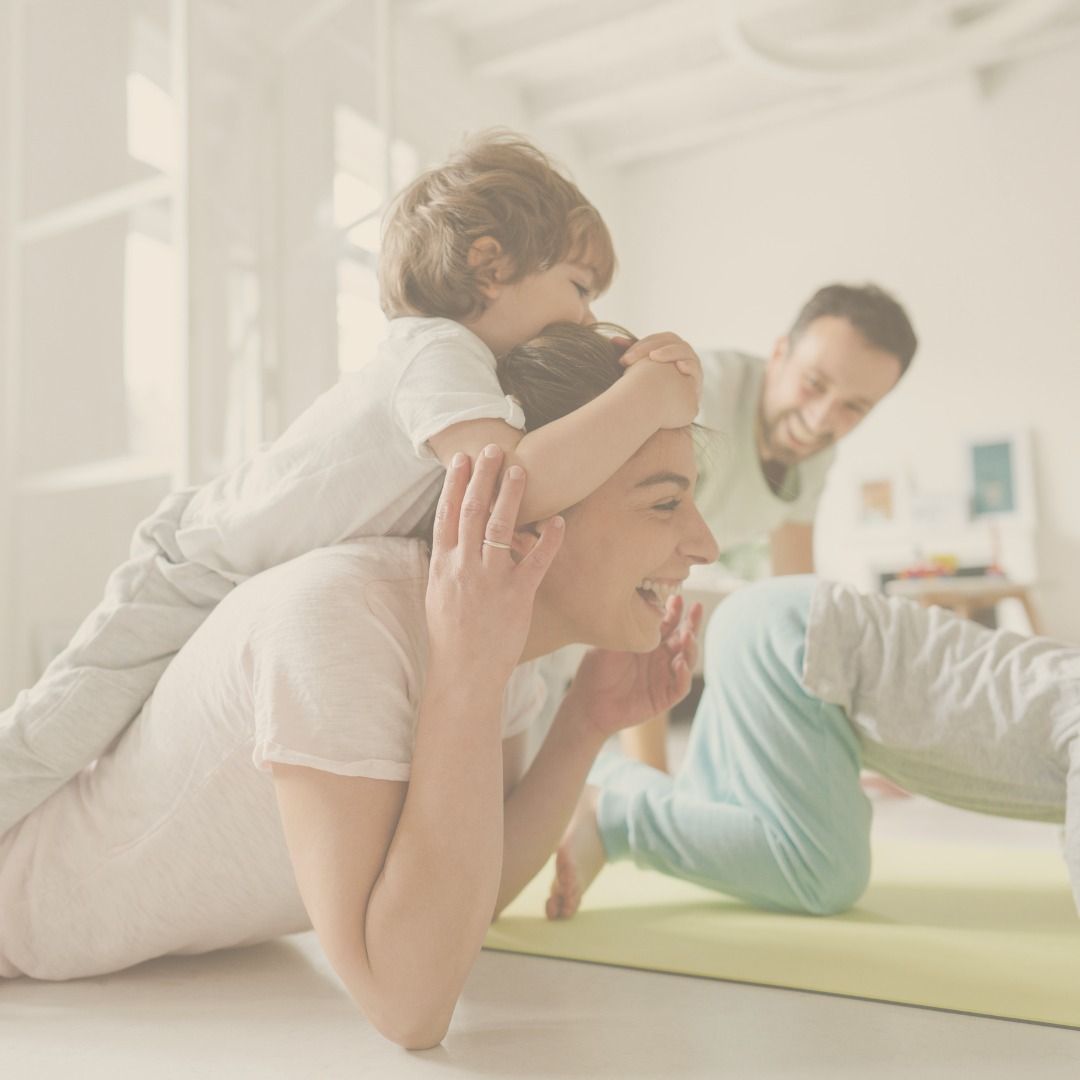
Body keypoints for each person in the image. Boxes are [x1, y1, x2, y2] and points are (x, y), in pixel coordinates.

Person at [0, 323, 720, 1051]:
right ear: (525, 511)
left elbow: (469, 898)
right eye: (665, 505)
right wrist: (467, 676)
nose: (706, 544)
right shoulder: (339, 618)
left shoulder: (498, 634)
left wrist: (585, 721)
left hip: (171, 973)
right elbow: (409, 1004)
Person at [0, 131, 702, 837]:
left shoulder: (477, 389)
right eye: (579, 288)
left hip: (232, 585)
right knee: (56, 732)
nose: (586, 316)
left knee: (112, 763)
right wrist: (649, 397)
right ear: (489, 267)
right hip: (189, 569)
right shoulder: (435, 351)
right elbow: (507, 489)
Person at [547, 575, 1080, 922]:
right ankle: (611, 805)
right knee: (825, 872)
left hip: (783, 631)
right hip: (793, 640)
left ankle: (597, 785)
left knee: (720, 819)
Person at [621, 282, 919, 770]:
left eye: (854, 407)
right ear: (779, 354)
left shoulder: (817, 457)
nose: (822, 419)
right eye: (815, 384)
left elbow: (795, 595)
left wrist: (843, 755)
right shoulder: (699, 400)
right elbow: (634, 578)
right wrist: (653, 781)